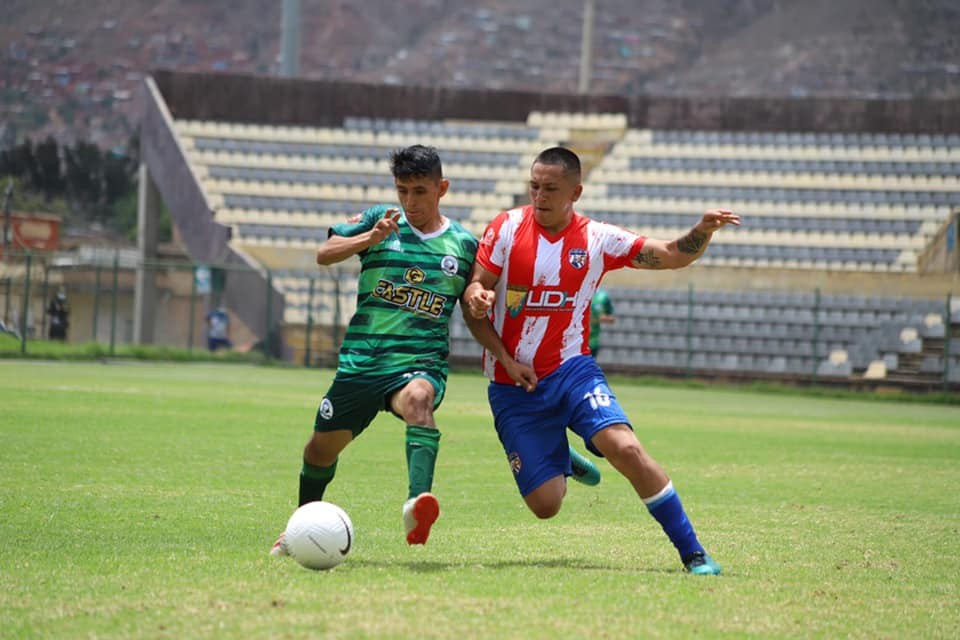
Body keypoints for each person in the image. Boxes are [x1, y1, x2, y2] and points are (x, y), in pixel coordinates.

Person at [462, 146, 740, 575]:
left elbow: (671, 254)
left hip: (572, 371)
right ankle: (560, 452)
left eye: (550, 188)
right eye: (534, 186)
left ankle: (694, 553)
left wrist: (701, 231)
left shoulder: (598, 239)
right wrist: (478, 300)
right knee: (545, 505)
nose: (539, 196)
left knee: (625, 448)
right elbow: (474, 294)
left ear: (576, 192)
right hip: (511, 384)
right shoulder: (505, 229)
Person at [271, 144, 481, 554]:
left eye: (419, 191)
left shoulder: (463, 245)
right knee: (317, 452)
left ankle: (417, 504)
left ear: (442, 188)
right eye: (402, 190)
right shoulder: (378, 220)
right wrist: (372, 237)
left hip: (419, 361)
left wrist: (478, 299)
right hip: (363, 363)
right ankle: (299, 529)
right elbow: (324, 254)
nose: (410, 201)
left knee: (419, 399)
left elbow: (473, 299)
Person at [589, 288, 615, 357]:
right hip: (576, 342)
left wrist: (599, 318)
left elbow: (612, 318)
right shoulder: (578, 293)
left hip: (592, 341)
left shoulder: (602, 297)